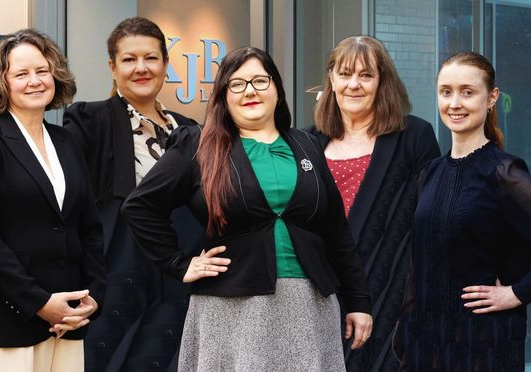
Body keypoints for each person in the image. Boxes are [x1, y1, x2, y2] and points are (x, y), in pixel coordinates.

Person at [122, 46, 373, 371]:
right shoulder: (198, 146)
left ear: (277, 90)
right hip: (231, 307)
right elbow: (140, 207)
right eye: (237, 84)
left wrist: (358, 301)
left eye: (260, 81)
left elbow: (336, 230)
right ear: (223, 95)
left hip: (309, 304)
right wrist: (177, 263)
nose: (250, 91)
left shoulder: (306, 144)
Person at [395, 51, 531, 371]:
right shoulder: (429, 173)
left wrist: (518, 292)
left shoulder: (503, 172)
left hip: (483, 345)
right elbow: (421, 264)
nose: (455, 103)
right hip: (426, 345)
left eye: (467, 92)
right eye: (446, 92)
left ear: (492, 98)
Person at [0, 29, 105, 372]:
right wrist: (38, 302)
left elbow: (89, 228)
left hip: (67, 322)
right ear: (1, 82)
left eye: (42, 70)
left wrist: (92, 297)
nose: (35, 81)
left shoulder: (67, 141)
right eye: (21, 74)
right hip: (6, 323)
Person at [63, 17, 203, 372]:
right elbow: (69, 200)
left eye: (151, 58)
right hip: (116, 276)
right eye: (128, 59)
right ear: (112, 67)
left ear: (166, 65)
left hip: (179, 275)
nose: (141, 68)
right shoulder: (87, 121)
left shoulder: (190, 130)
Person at [308, 35, 440, 371]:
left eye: (366, 75)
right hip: (317, 301)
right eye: (345, 73)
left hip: (391, 300)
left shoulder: (414, 137)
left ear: (383, 82)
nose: (354, 84)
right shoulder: (307, 142)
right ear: (332, 80)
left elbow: (438, 218)